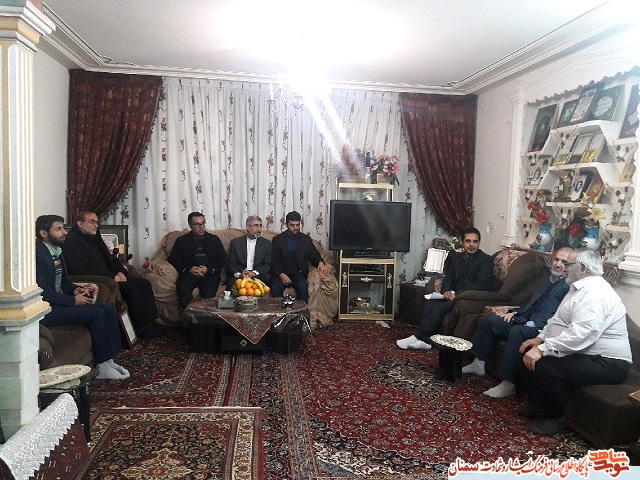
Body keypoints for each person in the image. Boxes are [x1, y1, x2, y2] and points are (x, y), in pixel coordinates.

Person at [518, 249, 632, 435]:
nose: (563, 268)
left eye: (568, 264)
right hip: (587, 353)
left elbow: (581, 335)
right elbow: (556, 320)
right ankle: (537, 405)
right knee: (526, 351)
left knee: (546, 366)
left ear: (583, 268)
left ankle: (553, 418)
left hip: (609, 363)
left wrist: (544, 349)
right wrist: (539, 339)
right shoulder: (577, 288)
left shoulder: (596, 293)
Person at [461, 247, 573, 398]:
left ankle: (508, 384)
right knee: (490, 321)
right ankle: (478, 363)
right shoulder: (547, 280)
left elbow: (557, 317)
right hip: (527, 320)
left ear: (571, 266)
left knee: (518, 331)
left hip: (542, 329)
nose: (558, 264)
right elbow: (532, 304)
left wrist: (529, 324)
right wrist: (516, 313)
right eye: (556, 259)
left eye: (564, 262)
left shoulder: (569, 287)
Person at [35, 215, 129, 380]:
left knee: (108, 308)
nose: (64, 232)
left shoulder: (57, 251)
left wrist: (75, 290)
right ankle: (102, 366)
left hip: (60, 303)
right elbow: (44, 293)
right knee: (97, 314)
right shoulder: (38, 256)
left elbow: (64, 283)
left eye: (63, 228)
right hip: (47, 311)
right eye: (59, 229)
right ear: (44, 233)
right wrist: (73, 301)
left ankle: (109, 360)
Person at [62, 211, 167, 338]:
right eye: (92, 222)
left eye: (97, 222)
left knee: (143, 283)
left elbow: (110, 257)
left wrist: (120, 271)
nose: (96, 225)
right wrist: (113, 277)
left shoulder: (94, 237)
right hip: (101, 280)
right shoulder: (72, 241)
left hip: (110, 276)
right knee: (132, 288)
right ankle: (140, 327)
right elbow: (83, 269)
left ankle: (150, 321)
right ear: (80, 223)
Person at [397, 227, 493, 350]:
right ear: (462, 242)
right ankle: (425, 340)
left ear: (479, 242)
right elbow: (448, 277)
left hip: (467, 298)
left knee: (440, 308)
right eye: (468, 241)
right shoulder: (457, 258)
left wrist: (457, 295)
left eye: (475, 241)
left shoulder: (485, 260)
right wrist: (446, 291)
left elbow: (480, 285)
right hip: (451, 294)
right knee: (431, 303)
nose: (471, 245)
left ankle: (420, 337)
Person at [169, 212, 227, 308]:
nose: (201, 227)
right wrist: (188, 269)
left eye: (203, 223)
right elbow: (174, 259)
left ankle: (205, 316)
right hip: (190, 272)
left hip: (209, 273)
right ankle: (190, 314)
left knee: (209, 291)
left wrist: (208, 269)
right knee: (182, 287)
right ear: (190, 225)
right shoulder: (182, 240)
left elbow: (222, 259)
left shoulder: (214, 239)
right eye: (197, 224)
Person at [270, 211, 330, 303]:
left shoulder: (305, 240)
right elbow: (274, 260)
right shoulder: (278, 240)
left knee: (302, 285)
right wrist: (281, 274)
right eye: (292, 225)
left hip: (298, 274)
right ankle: (279, 312)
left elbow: (314, 254)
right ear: (286, 225)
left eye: (297, 225)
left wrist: (320, 263)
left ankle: (302, 311)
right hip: (281, 274)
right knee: (275, 287)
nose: (295, 228)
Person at [226, 215, 271, 290]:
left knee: (256, 287)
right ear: (247, 227)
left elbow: (267, 265)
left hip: (258, 276)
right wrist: (239, 275)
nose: (259, 229)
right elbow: (231, 264)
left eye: (260, 226)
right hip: (240, 275)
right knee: (232, 285)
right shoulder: (236, 243)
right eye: (256, 226)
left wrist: (254, 273)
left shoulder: (267, 244)